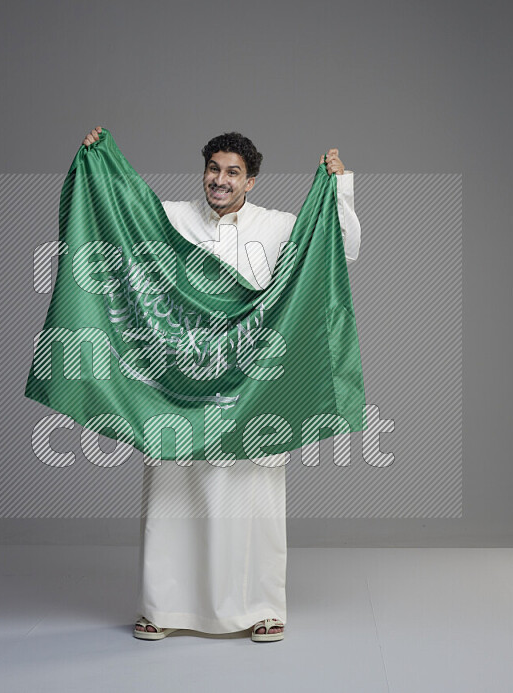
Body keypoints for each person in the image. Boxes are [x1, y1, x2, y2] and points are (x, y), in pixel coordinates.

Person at [80, 126, 362, 641]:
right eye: (214, 169)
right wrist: (99, 158)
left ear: (251, 181)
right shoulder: (172, 218)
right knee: (172, 498)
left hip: (250, 386)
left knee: (251, 500)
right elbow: (119, 217)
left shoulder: (278, 226)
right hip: (179, 385)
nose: (220, 180)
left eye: (233, 173)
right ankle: (163, 609)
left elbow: (339, 251)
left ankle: (260, 609)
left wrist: (339, 188)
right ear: (204, 171)